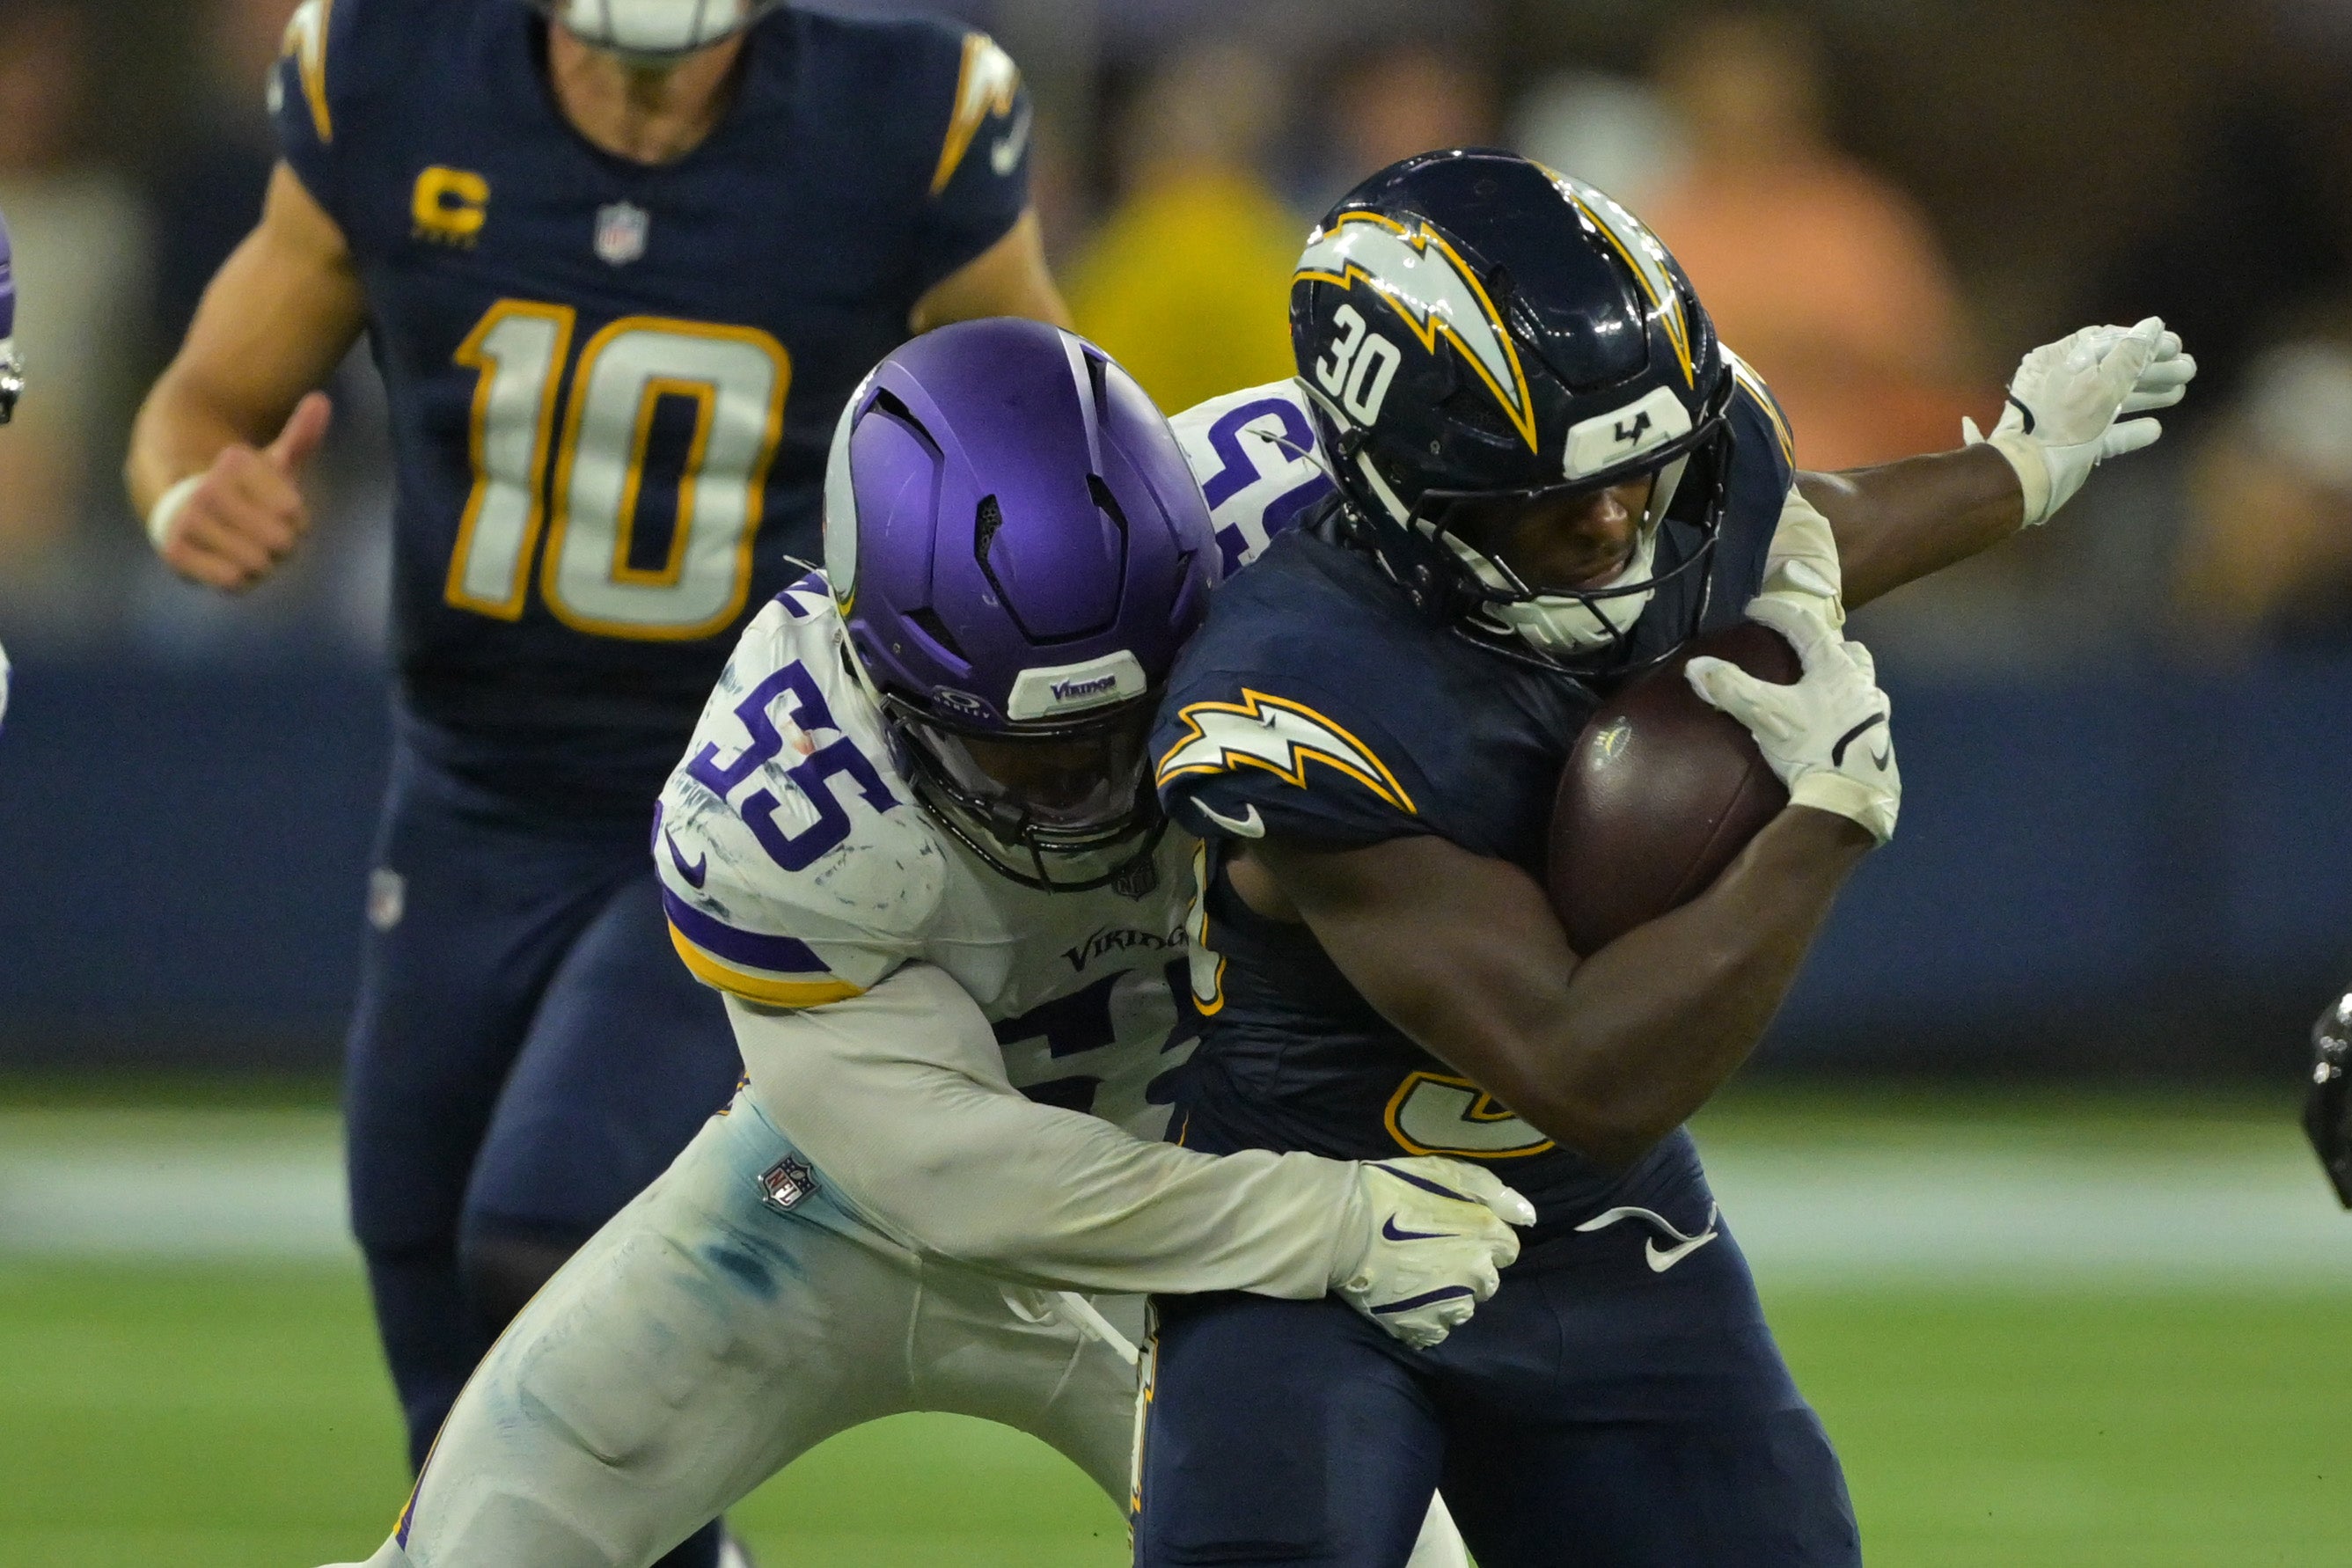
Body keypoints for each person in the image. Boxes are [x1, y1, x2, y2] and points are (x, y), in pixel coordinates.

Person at [1130, 150, 2194, 1567]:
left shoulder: (1645, 486)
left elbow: (1792, 540)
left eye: (1640, 474)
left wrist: (2020, 464)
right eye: (1553, 500)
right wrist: (1821, 822)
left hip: (1593, 1237)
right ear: (1404, 492)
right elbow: (1590, 1071)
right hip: (1319, 1243)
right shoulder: (1304, 693)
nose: (1617, 522)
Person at [321, 318, 1523, 1568]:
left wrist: (1748, 618)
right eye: (1027, 756)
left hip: (1184, 1207)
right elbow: (959, 1173)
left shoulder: (1304, 508)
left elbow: (1661, 458)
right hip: (838, 1211)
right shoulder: (785, 797)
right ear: (877, 672)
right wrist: (1324, 1219)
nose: (1095, 794)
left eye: (1125, 724)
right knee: (479, 1549)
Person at [123, 4, 1066, 1564]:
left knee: (542, 1225)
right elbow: (195, 406)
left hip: (742, 789)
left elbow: (1036, 437)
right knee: (427, 1279)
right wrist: (183, 498)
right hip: (469, 783)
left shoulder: (902, 110)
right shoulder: (390, 68)